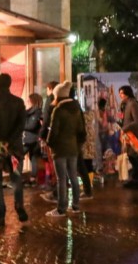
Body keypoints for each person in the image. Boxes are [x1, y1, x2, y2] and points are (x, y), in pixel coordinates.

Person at [0, 73, 28, 227]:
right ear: (9, 84)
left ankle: (1, 216)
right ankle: (19, 205)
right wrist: (9, 141)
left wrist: (0, 142)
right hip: (14, 146)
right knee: (16, 178)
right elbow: (21, 125)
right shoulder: (18, 102)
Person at [45, 81, 86, 217]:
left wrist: (49, 143)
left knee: (61, 179)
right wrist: (77, 145)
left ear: (58, 96)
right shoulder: (77, 109)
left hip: (60, 149)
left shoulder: (58, 110)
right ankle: (75, 205)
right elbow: (82, 131)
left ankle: (61, 208)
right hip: (73, 148)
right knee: (73, 177)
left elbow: (53, 132)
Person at [22, 93, 43, 187]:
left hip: (31, 139)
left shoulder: (36, 112)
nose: (26, 102)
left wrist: (21, 126)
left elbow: (31, 125)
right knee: (33, 158)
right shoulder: (29, 112)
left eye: (28, 100)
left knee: (19, 155)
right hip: (32, 139)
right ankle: (33, 179)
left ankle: (18, 178)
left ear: (32, 101)